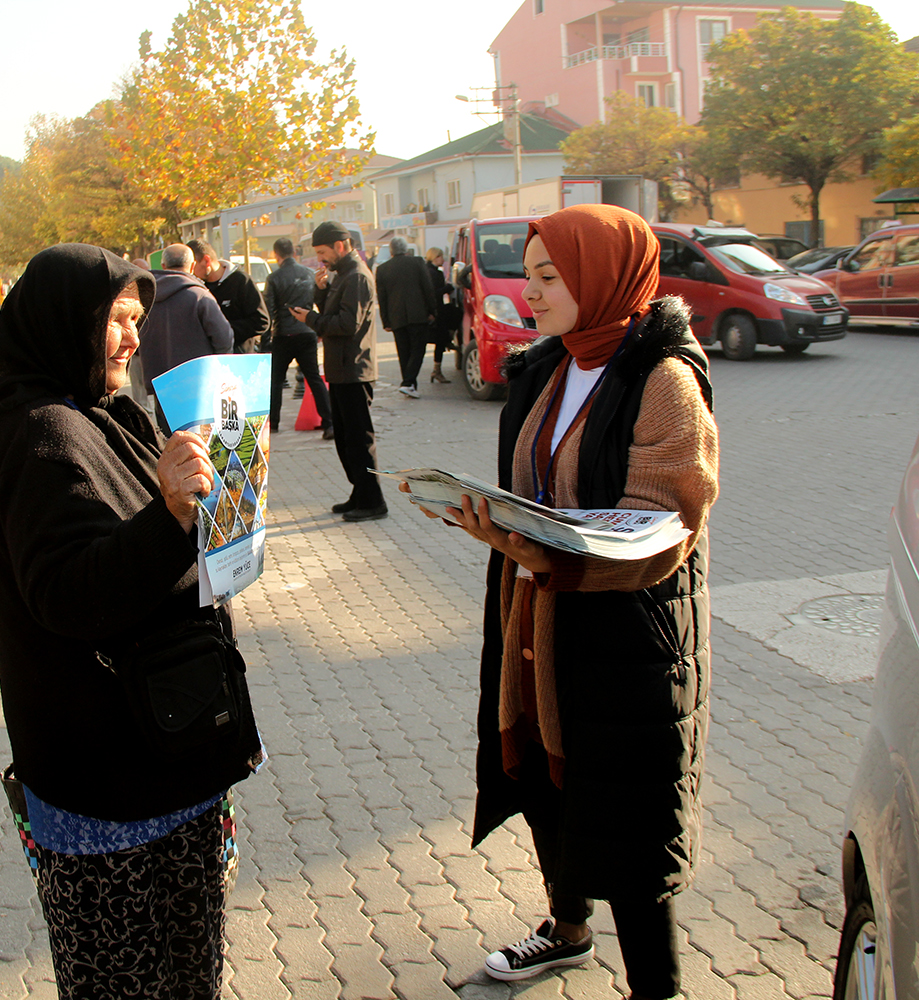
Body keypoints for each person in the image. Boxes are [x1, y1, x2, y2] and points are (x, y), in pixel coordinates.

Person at [420, 205, 718, 996]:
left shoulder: (665, 380)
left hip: (627, 636)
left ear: (602, 276)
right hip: (537, 619)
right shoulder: (545, 367)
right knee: (546, 780)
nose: (533, 290)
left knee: (630, 816)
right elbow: (535, 491)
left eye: (552, 276)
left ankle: (658, 986)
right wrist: (491, 521)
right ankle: (566, 930)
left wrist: (545, 553)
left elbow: (666, 525)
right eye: (532, 271)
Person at [0, 244, 263, 999]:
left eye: (138, 317)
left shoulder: (99, 414)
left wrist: (227, 501)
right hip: (113, 787)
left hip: (162, 751)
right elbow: (70, 595)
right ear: (67, 321)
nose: (133, 337)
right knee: (127, 979)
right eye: (116, 319)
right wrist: (171, 518)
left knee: (185, 970)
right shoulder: (40, 435)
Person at [290, 221, 385, 522]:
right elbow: (335, 314)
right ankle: (360, 493)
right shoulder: (343, 275)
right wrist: (321, 292)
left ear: (340, 246)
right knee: (345, 439)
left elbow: (346, 325)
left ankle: (373, 501)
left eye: (323, 252)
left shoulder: (357, 276)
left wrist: (311, 319)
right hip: (342, 369)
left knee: (358, 439)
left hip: (355, 369)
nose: (321, 259)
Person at [135, 243, 232, 433]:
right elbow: (224, 338)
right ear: (192, 264)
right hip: (198, 383)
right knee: (201, 442)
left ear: (163, 265)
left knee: (171, 441)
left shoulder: (145, 298)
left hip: (160, 384)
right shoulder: (199, 295)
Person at [264, 236, 331, 439]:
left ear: (277, 255)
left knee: (276, 381)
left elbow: (268, 309)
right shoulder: (309, 274)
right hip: (307, 332)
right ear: (294, 252)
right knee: (313, 378)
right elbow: (319, 302)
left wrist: (266, 339)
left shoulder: (274, 278)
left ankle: (273, 422)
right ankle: (329, 422)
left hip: (284, 334)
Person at [374, 237, 438, 398]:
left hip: (396, 317)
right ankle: (408, 383)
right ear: (406, 249)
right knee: (418, 350)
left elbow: (382, 298)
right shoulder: (417, 263)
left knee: (404, 352)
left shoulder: (382, 269)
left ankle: (409, 385)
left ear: (391, 251)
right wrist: (433, 311)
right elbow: (427, 288)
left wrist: (386, 321)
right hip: (418, 315)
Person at [186, 239, 268, 354]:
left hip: (238, 359)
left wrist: (222, 330)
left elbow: (261, 321)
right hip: (208, 360)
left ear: (206, 261)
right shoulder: (196, 287)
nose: (190, 272)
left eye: (193, 267)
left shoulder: (240, 281)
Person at [424, 248, 457, 384]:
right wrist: (448, 288)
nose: (443, 260)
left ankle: (437, 370)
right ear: (435, 257)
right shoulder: (434, 273)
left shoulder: (426, 271)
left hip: (434, 310)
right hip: (437, 311)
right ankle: (437, 370)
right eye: (441, 257)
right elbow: (434, 293)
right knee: (440, 339)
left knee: (440, 339)